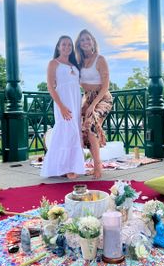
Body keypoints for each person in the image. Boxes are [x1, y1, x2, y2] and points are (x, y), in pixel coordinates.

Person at [41, 36, 85, 179]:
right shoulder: (53, 63)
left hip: (75, 101)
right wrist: (61, 107)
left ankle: (72, 166)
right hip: (63, 102)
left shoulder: (74, 64)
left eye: (69, 45)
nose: (67, 47)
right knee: (65, 131)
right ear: (58, 47)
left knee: (74, 132)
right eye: (64, 44)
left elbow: (79, 84)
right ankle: (65, 168)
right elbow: (50, 87)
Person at [75, 29, 113, 179]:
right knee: (79, 128)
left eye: (88, 39)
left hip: (102, 98)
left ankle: (98, 167)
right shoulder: (78, 63)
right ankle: (82, 164)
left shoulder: (100, 59)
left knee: (91, 125)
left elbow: (105, 86)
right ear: (79, 44)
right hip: (87, 98)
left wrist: (93, 105)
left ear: (93, 42)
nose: (85, 42)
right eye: (82, 40)